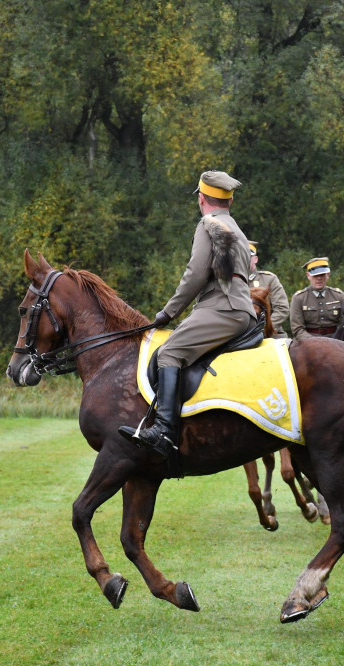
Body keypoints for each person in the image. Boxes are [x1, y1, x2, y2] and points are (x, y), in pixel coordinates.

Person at [120, 170, 257, 461]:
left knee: (168, 353)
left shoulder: (209, 226)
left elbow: (195, 274)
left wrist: (167, 313)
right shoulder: (238, 230)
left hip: (222, 310)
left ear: (201, 198)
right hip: (240, 310)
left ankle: (164, 433)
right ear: (229, 200)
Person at [289, 257, 344, 340]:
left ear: (327, 275)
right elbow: (297, 329)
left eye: (322, 275)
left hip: (336, 340)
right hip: (308, 342)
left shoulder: (338, 296)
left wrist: (337, 339)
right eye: (315, 275)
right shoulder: (299, 298)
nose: (319, 278)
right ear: (308, 275)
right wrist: (315, 342)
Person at [249, 241, 290, 338]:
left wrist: (265, 328)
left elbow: (282, 308)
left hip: (270, 335)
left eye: (248, 257)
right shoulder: (231, 282)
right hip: (241, 336)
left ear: (255, 259)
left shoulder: (269, 279)